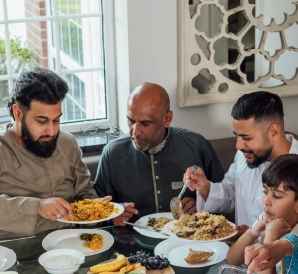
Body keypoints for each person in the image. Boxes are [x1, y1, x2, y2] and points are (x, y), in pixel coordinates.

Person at [0, 68, 127, 242]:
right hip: (11, 257)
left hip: (70, 249)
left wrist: (101, 212)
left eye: (57, 120)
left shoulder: (67, 144)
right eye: (41, 121)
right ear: (18, 112)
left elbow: (84, 192)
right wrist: (37, 207)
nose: (51, 131)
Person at [184, 91, 298, 231]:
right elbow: (232, 194)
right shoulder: (245, 155)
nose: (238, 145)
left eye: (246, 138)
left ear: (273, 132)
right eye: (237, 136)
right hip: (237, 252)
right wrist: (205, 188)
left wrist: (252, 240)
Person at [93, 82, 224, 222]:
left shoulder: (197, 146)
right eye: (131, 121)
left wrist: (202, 205)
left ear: (167, 119)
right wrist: (112, 214)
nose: (135, 132)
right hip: (131, 240)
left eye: (145, 123)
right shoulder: (112, 153)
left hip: (188, 240)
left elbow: (225, 200)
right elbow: (96, 208)